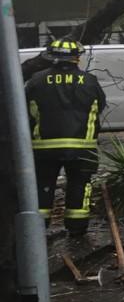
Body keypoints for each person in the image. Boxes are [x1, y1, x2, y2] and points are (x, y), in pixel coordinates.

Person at [25, 39, 106, 236]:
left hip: (44, 148)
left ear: (51, 57)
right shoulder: (89, 81)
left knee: (43, 187)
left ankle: (38, 232)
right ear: (77, 58)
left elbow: (26, 112)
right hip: (82, 147)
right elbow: (100, 106)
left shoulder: (36, 80)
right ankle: (77, 231)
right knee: (79, 186)